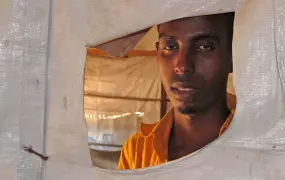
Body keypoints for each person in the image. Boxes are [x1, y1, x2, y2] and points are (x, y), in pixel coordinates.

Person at [117, 12, 235, 170]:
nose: (183, 66)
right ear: (157, 53)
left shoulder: (266, 148)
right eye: (170, 47)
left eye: (204, 47)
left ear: (233, 56)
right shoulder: (137, 151)